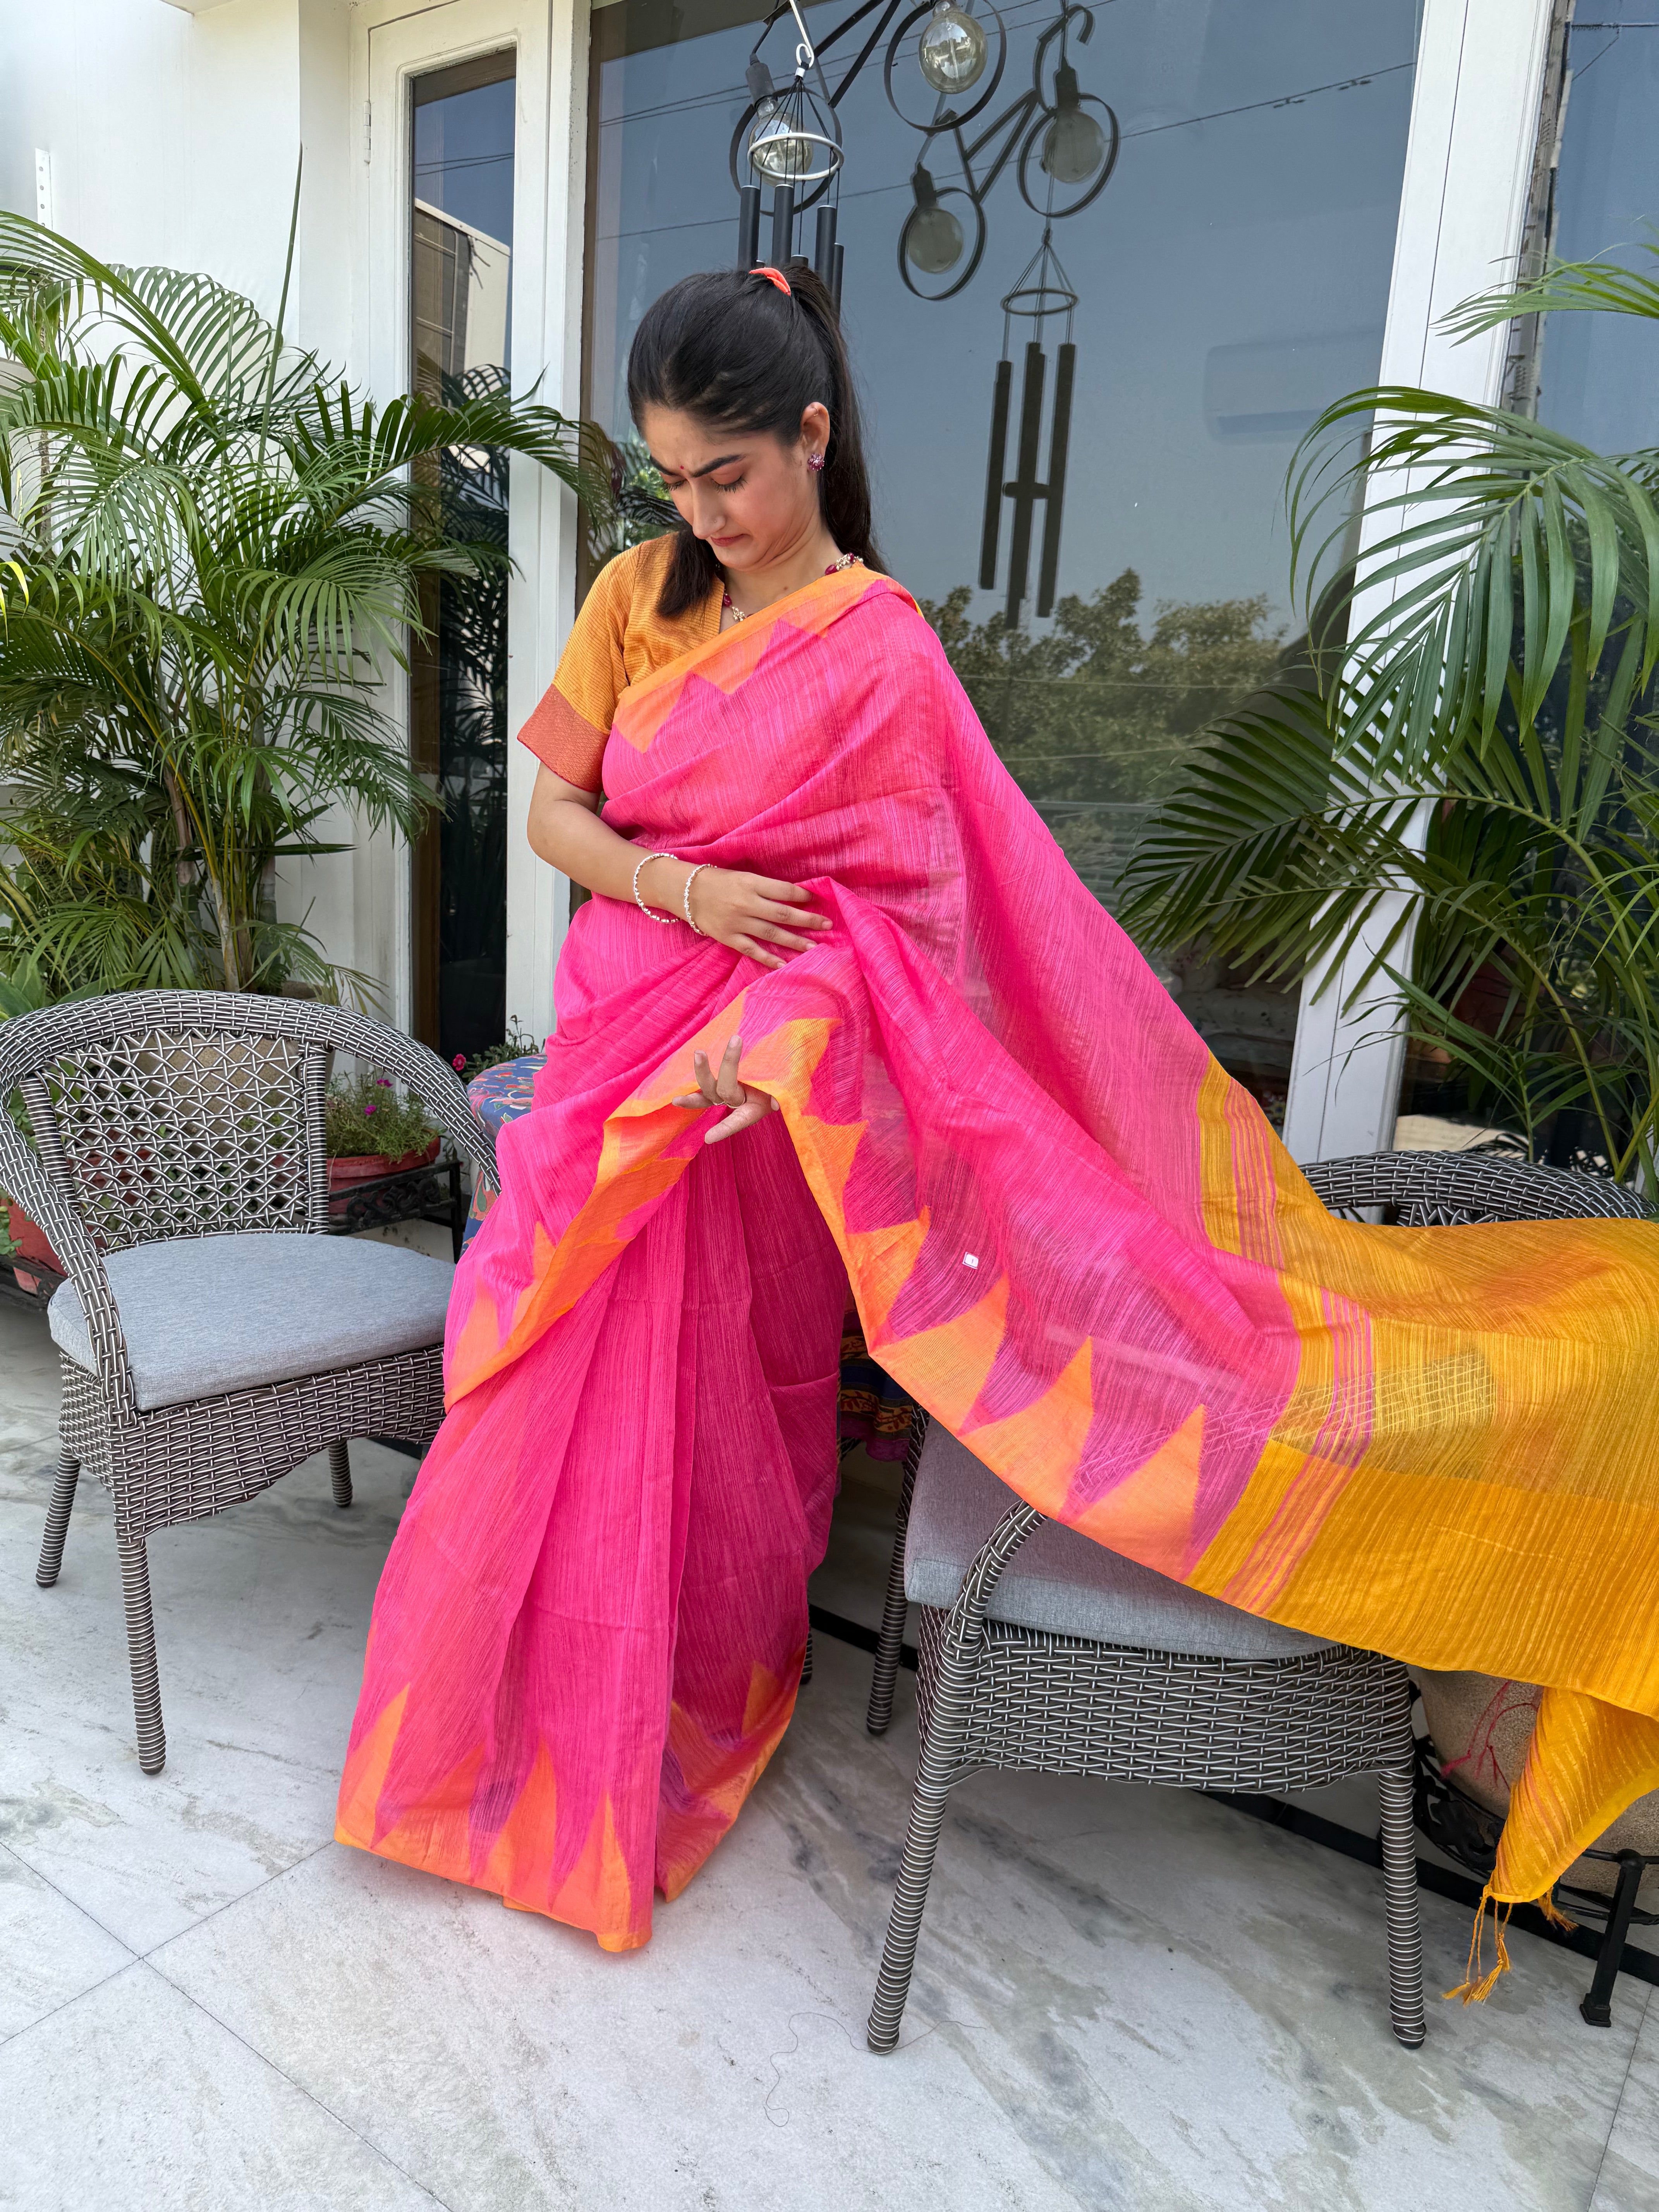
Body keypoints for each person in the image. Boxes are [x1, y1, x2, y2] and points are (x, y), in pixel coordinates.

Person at [338, 264, 1659, 1974]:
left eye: (726, 473)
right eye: (668, 476)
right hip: (619, 1055)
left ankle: (674, 1703)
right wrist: (682, 884)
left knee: (719, 1415)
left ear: (812, 439)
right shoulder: (631, 598)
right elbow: (557, 821)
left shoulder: (881, 649)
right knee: (549, 1401)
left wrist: (774, 1012)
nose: (699, 510)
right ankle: (489, 1728)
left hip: (757, 1103)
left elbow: (918, 923)